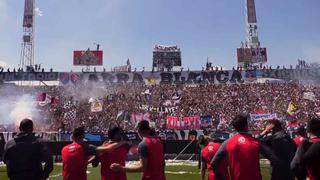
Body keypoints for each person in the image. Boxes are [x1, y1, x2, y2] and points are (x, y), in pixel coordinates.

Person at [211, 114, 278, 180]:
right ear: (246, 126)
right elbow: (274, 159)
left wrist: (220, 178)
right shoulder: (256, 142)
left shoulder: (227, 143)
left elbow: (214, 162)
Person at [61, 126, 126, 180]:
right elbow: (108, 149)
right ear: (83, 136)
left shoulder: (64, 149)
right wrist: (122, 142)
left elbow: (82, 162)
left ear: (72, 137)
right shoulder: (84, 147)